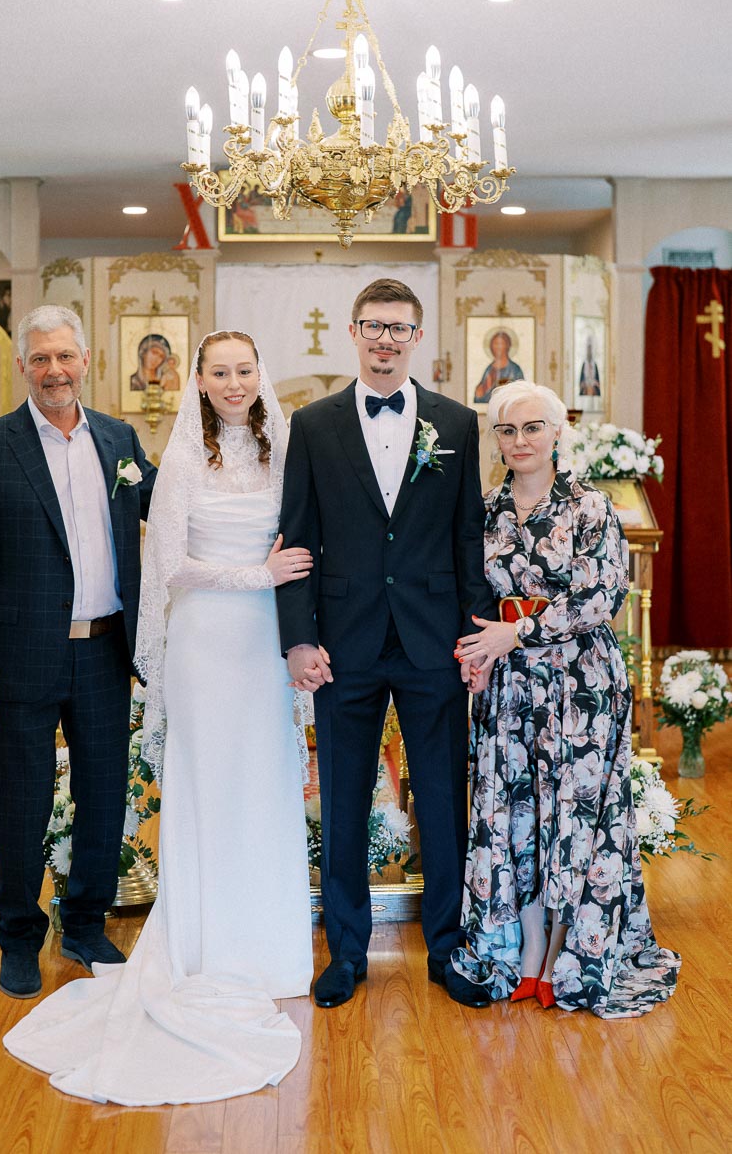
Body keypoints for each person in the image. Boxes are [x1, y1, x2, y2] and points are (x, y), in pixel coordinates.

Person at [4, 331, 315, 1104]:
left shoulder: (285, 454)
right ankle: (205, 945)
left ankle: (271, 949)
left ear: (258, 375)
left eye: (246, 369)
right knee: (210, 787)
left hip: (266, 645)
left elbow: (308, 542)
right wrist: (259, 572)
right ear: (199, 382)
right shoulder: (177, 462)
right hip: (209, 641)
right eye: (221, 372)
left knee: (265, 786)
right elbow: (169, 564)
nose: (235, 382)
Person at [276, 277, 498, 1010]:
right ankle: (345, 954)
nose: (385, 339)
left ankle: (447, 948)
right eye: (373, 326)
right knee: (342, 800)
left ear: (417, 337)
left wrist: (475, 640)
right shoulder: (313, 425)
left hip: (435, 640)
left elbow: (469, 537)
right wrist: (299, 640)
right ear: (353, 331)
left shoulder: (457, 424)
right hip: (345, 640)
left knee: (441, 799)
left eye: (399, 328)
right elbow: (298, 538)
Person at [0, 304, 156, 1000]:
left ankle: (86, 925)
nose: (55, 370)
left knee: (101, 797)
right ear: (24, 367)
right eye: (41, 359)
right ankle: (19, 937)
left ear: (86, 361)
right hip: (17, 661)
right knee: (21, 805)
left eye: (65, 356)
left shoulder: (119, 440)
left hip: (102, 654)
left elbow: (171, 516)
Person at [452, 380, 680, 1016]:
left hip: (579, 683)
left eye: (531, 428)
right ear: (494, 439)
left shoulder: (592, 508)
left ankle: (564, 951)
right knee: (515, 814)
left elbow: (603, 597)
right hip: (508, 685)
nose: (519, 441)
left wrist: (518, 630)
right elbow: (466, 591)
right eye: (506, 430)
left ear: (557, 433)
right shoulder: (483, 510)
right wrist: (476, 649)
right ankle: (526, 948)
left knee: (571, 816)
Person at [473, 328, 524, 404]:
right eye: (495, 344)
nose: (498, 347)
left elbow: (522, 393)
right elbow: (479, 397)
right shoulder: (489, 369)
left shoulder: (515, 369)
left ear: (507, 346)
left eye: (501, 343)